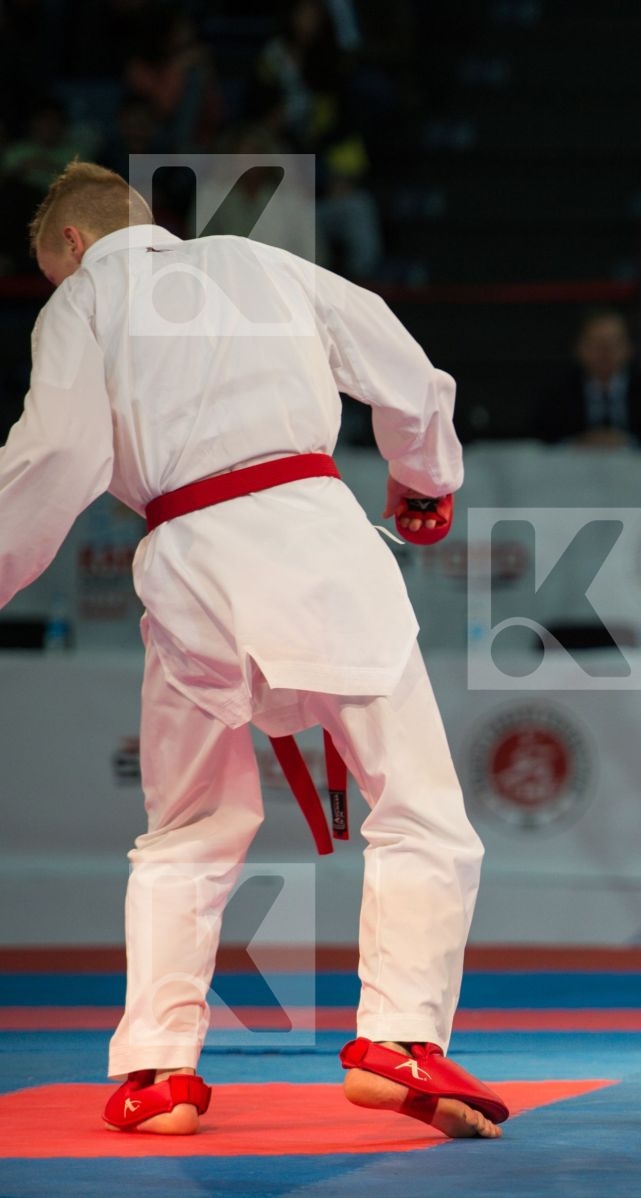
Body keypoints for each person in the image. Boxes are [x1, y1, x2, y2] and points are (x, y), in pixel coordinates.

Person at [1, 163, 505, 1139]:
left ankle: (157, 1070)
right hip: (319, 541)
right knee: (416, 806)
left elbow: (54, 460)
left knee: (189, 825)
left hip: (191, 564)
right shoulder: (262, 262)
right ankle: (399, 1037)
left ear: (71, 246)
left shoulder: (85, 303)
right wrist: (425, 477)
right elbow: (404, 368)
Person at [534, 309, 641, 448]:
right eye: (595, 343)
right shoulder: (556, 391)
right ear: (577, 348)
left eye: (614, 342)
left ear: (630, 348)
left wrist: (629, 443)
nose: (605, 351)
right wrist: (576, 443)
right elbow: (535, 440)